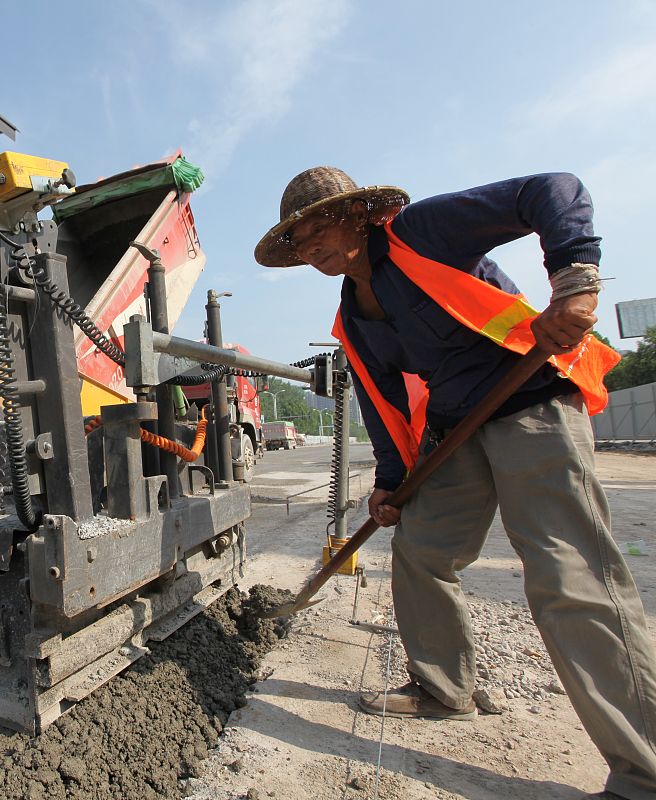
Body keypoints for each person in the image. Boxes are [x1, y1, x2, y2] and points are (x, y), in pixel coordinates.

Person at [254, 167, 656, 800]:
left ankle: (644, 770)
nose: (309, 249)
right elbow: (383, 401)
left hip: (530, 400)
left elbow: (552, 189)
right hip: (457, 430)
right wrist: (389, 483)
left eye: (316, 228)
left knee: (567, 576)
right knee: (421, 548)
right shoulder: (354, 317)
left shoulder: (423, 233)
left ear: (357, 215)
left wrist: (574, 283)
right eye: (296, 243)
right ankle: (444, 689)